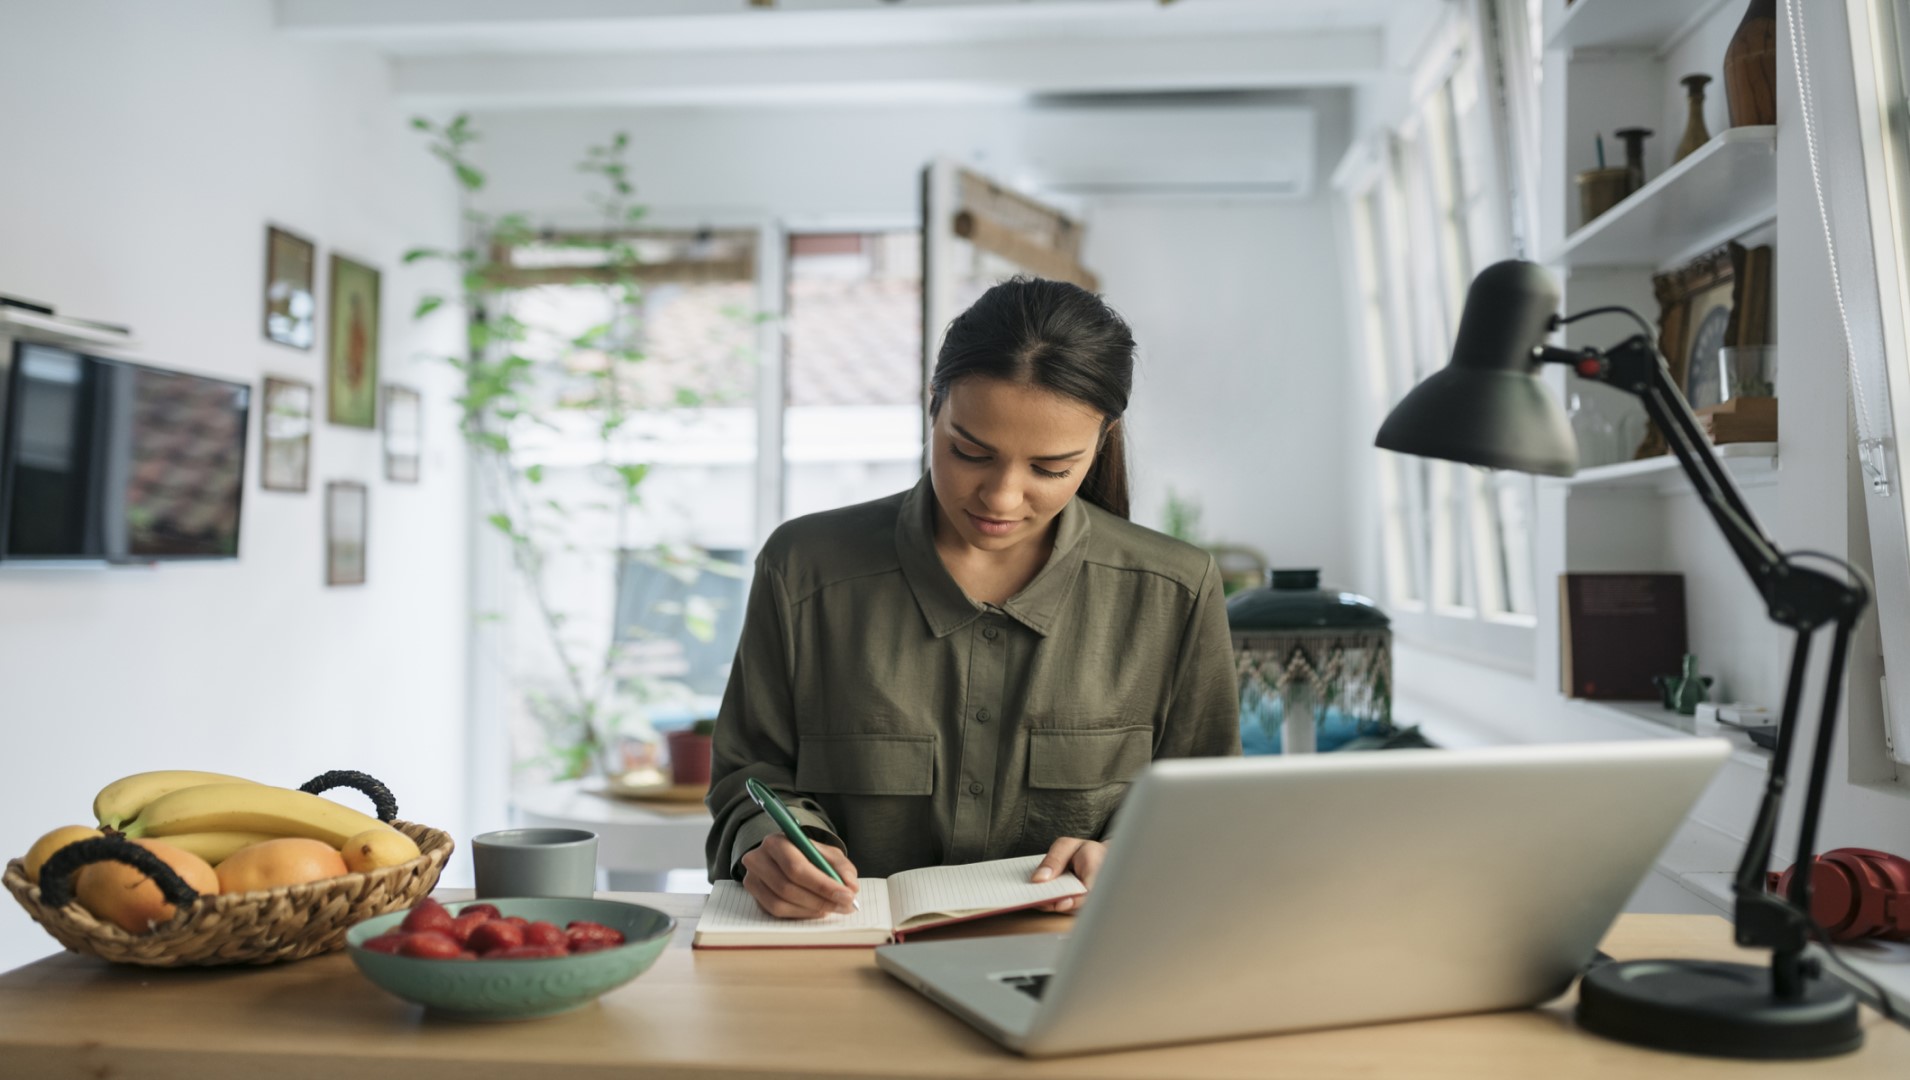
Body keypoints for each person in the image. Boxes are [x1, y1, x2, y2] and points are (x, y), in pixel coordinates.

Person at [705, 276, 1240, 919]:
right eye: (969, 452)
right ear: (934, 406)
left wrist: (1128, 854)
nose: (1002, 497)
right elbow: (750, 778)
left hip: (1073, 966)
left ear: (1102, 440)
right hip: (842, 958)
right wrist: (775, 845)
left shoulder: (1173, 592)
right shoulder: (804, 569)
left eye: (1051, 468)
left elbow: (1204, 811)